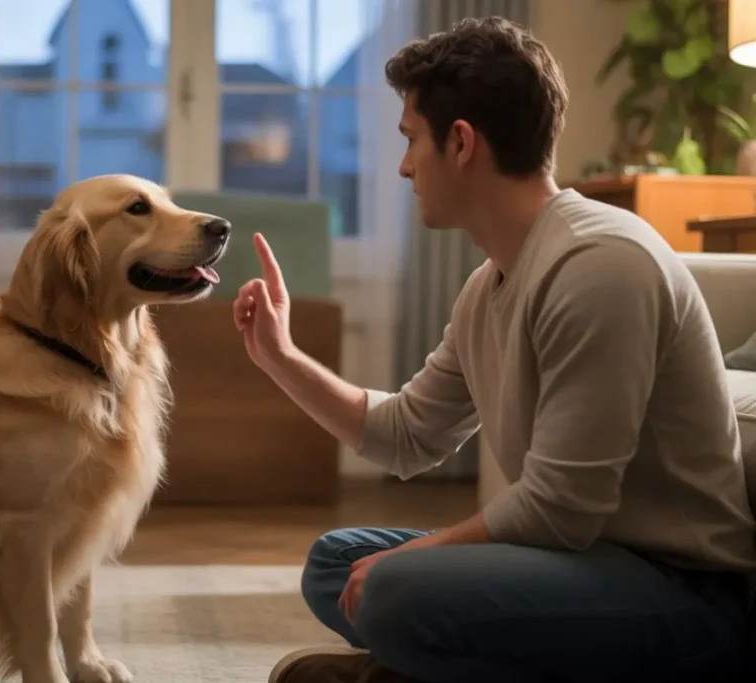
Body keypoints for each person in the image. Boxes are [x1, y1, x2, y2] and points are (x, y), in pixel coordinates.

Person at [231, 15, 756, 683]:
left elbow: (561, 507)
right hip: (581, 564)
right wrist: (280, 355)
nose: (402, 165)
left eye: (410, 139)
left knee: (392, 589)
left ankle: (397, 670)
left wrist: (416, 560)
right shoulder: (491, 284)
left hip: (680, 594)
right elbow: (403, 435)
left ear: (460, 143)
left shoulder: (601, 264)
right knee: (337, 562)